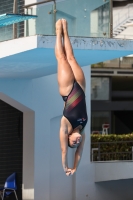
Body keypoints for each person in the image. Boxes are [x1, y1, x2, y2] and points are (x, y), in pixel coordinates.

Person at [55, 19, 88, 176]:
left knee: (62, 58)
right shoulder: (83, 129)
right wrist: (76, 167)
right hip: (81, 87)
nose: (77, 142)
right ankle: (66, 31)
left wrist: (66, 167)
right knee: (72, 58)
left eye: (73, 143)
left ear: (68, 138)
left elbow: (63, 151)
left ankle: (58, 33)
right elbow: (79, 154)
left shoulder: (65, 127)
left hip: (68, 90)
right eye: (77, 143)